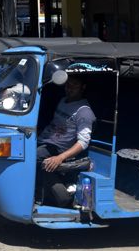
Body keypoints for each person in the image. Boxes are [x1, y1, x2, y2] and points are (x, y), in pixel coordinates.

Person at [36, 76, 95, 207]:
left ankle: (58, 196)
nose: (69, 88)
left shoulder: (84, 111)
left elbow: (83, 142)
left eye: (74, 85)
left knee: (33, 157)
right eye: (68, 84)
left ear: (82, 87)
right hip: (45, 140)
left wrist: (59, 158)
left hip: (58, 148)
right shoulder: (63, 101)